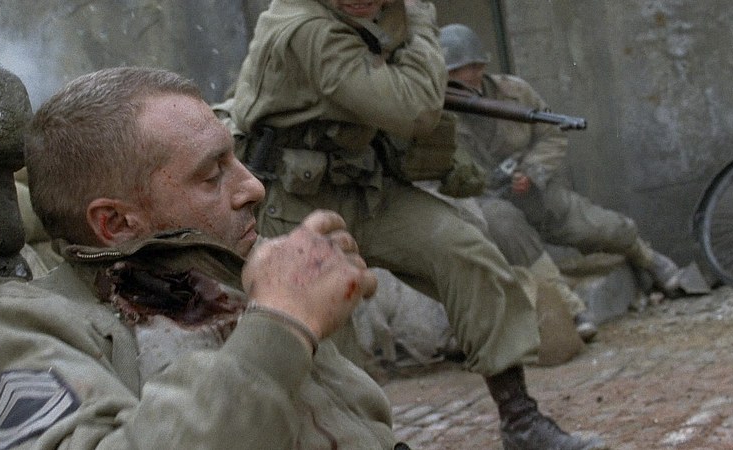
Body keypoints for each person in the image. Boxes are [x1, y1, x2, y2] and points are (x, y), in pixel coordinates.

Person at [0, 67, 403, 449]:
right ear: (115, 222)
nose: (253, 187)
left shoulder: (238, 284)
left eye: (234, 158)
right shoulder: (4, 329)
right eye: (212, 175)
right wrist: (281, 326)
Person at [230, 1, 606, 448]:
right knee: (325, 340)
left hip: (364, 184)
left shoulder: (374, 12)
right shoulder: (305, 28)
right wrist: (421, 19)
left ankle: (521, 420)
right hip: (295, 199)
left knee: (465, 251)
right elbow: (415, 109)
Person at [437, 23, 684, 336]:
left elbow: (551, 135)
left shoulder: (514, 92)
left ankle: (646, 257)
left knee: (600, 227)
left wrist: (532, 171)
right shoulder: (434, 111)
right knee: (504, 223)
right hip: (483, 203)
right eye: (456, 72)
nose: (468, 76)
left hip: (531, 191)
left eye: (474, 67)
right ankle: (571, 308)